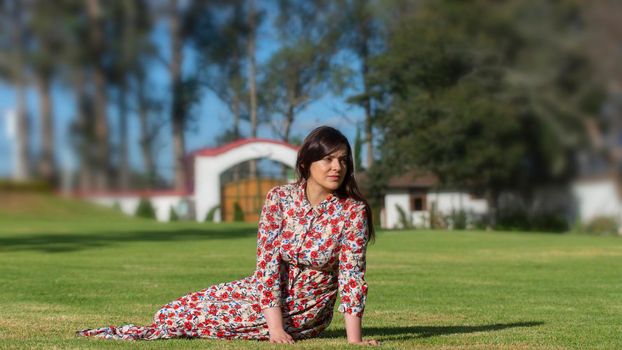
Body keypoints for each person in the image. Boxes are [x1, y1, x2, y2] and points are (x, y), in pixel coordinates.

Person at [77, 126, 379, 345]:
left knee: (182, 323)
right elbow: (268, 262)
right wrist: (274, 326)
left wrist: (354, 341)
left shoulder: (352, 212)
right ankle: (259, 320)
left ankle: (259, 323)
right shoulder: (280, 198)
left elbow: (352, 276)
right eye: (328, 159)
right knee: (170, 312)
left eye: (342, 159)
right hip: (262, 293)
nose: (337, 167)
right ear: (306, 162)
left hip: (306, 308)